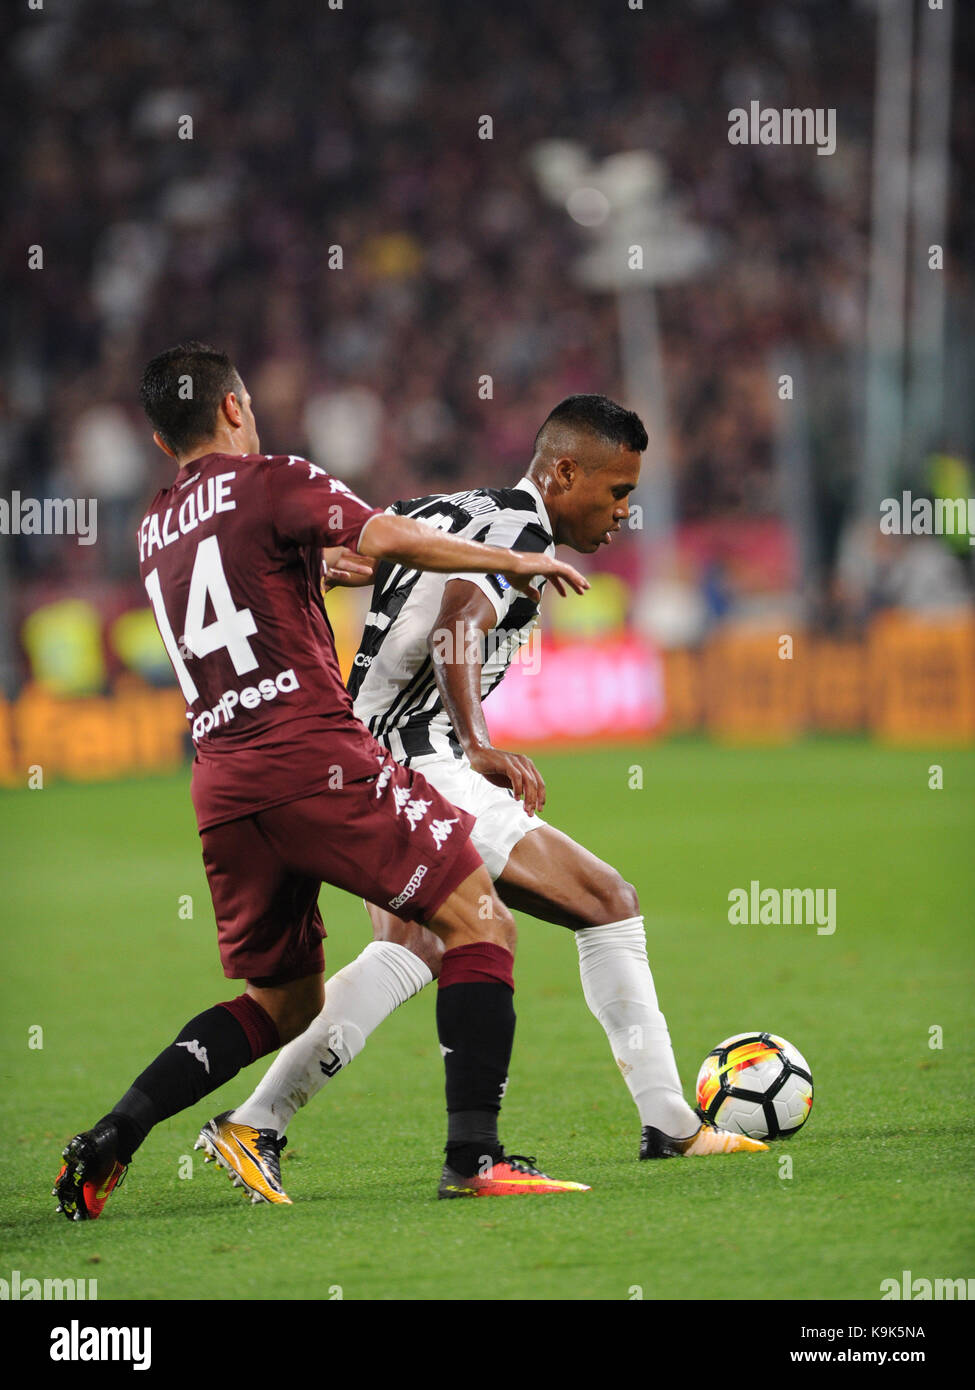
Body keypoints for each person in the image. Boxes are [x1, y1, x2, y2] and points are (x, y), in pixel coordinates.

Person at [53, 343, 595, 1220]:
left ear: (160, 442)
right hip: (314, 757)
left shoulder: (154, 529)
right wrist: (515, 562)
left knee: (285, 995)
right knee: (477, 917)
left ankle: (117, 1133)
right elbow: (381, 533)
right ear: (233, 407)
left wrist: (323, 567)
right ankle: (475, 1157)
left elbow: (262, 585)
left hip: (223, 780)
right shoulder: (272, 478)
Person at [200, 395, 767, 1206]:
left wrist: (349, 569)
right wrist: (475, 740)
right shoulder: (521, 533)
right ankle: (668, 1123)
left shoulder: (454, 509)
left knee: (416, 949)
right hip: (422, 758)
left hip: (359, 761)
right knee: (607, 902)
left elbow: (365, 547)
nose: (621, 515)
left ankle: (256, 1122)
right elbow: (459, 620)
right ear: (563, 471)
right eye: (615, 493)